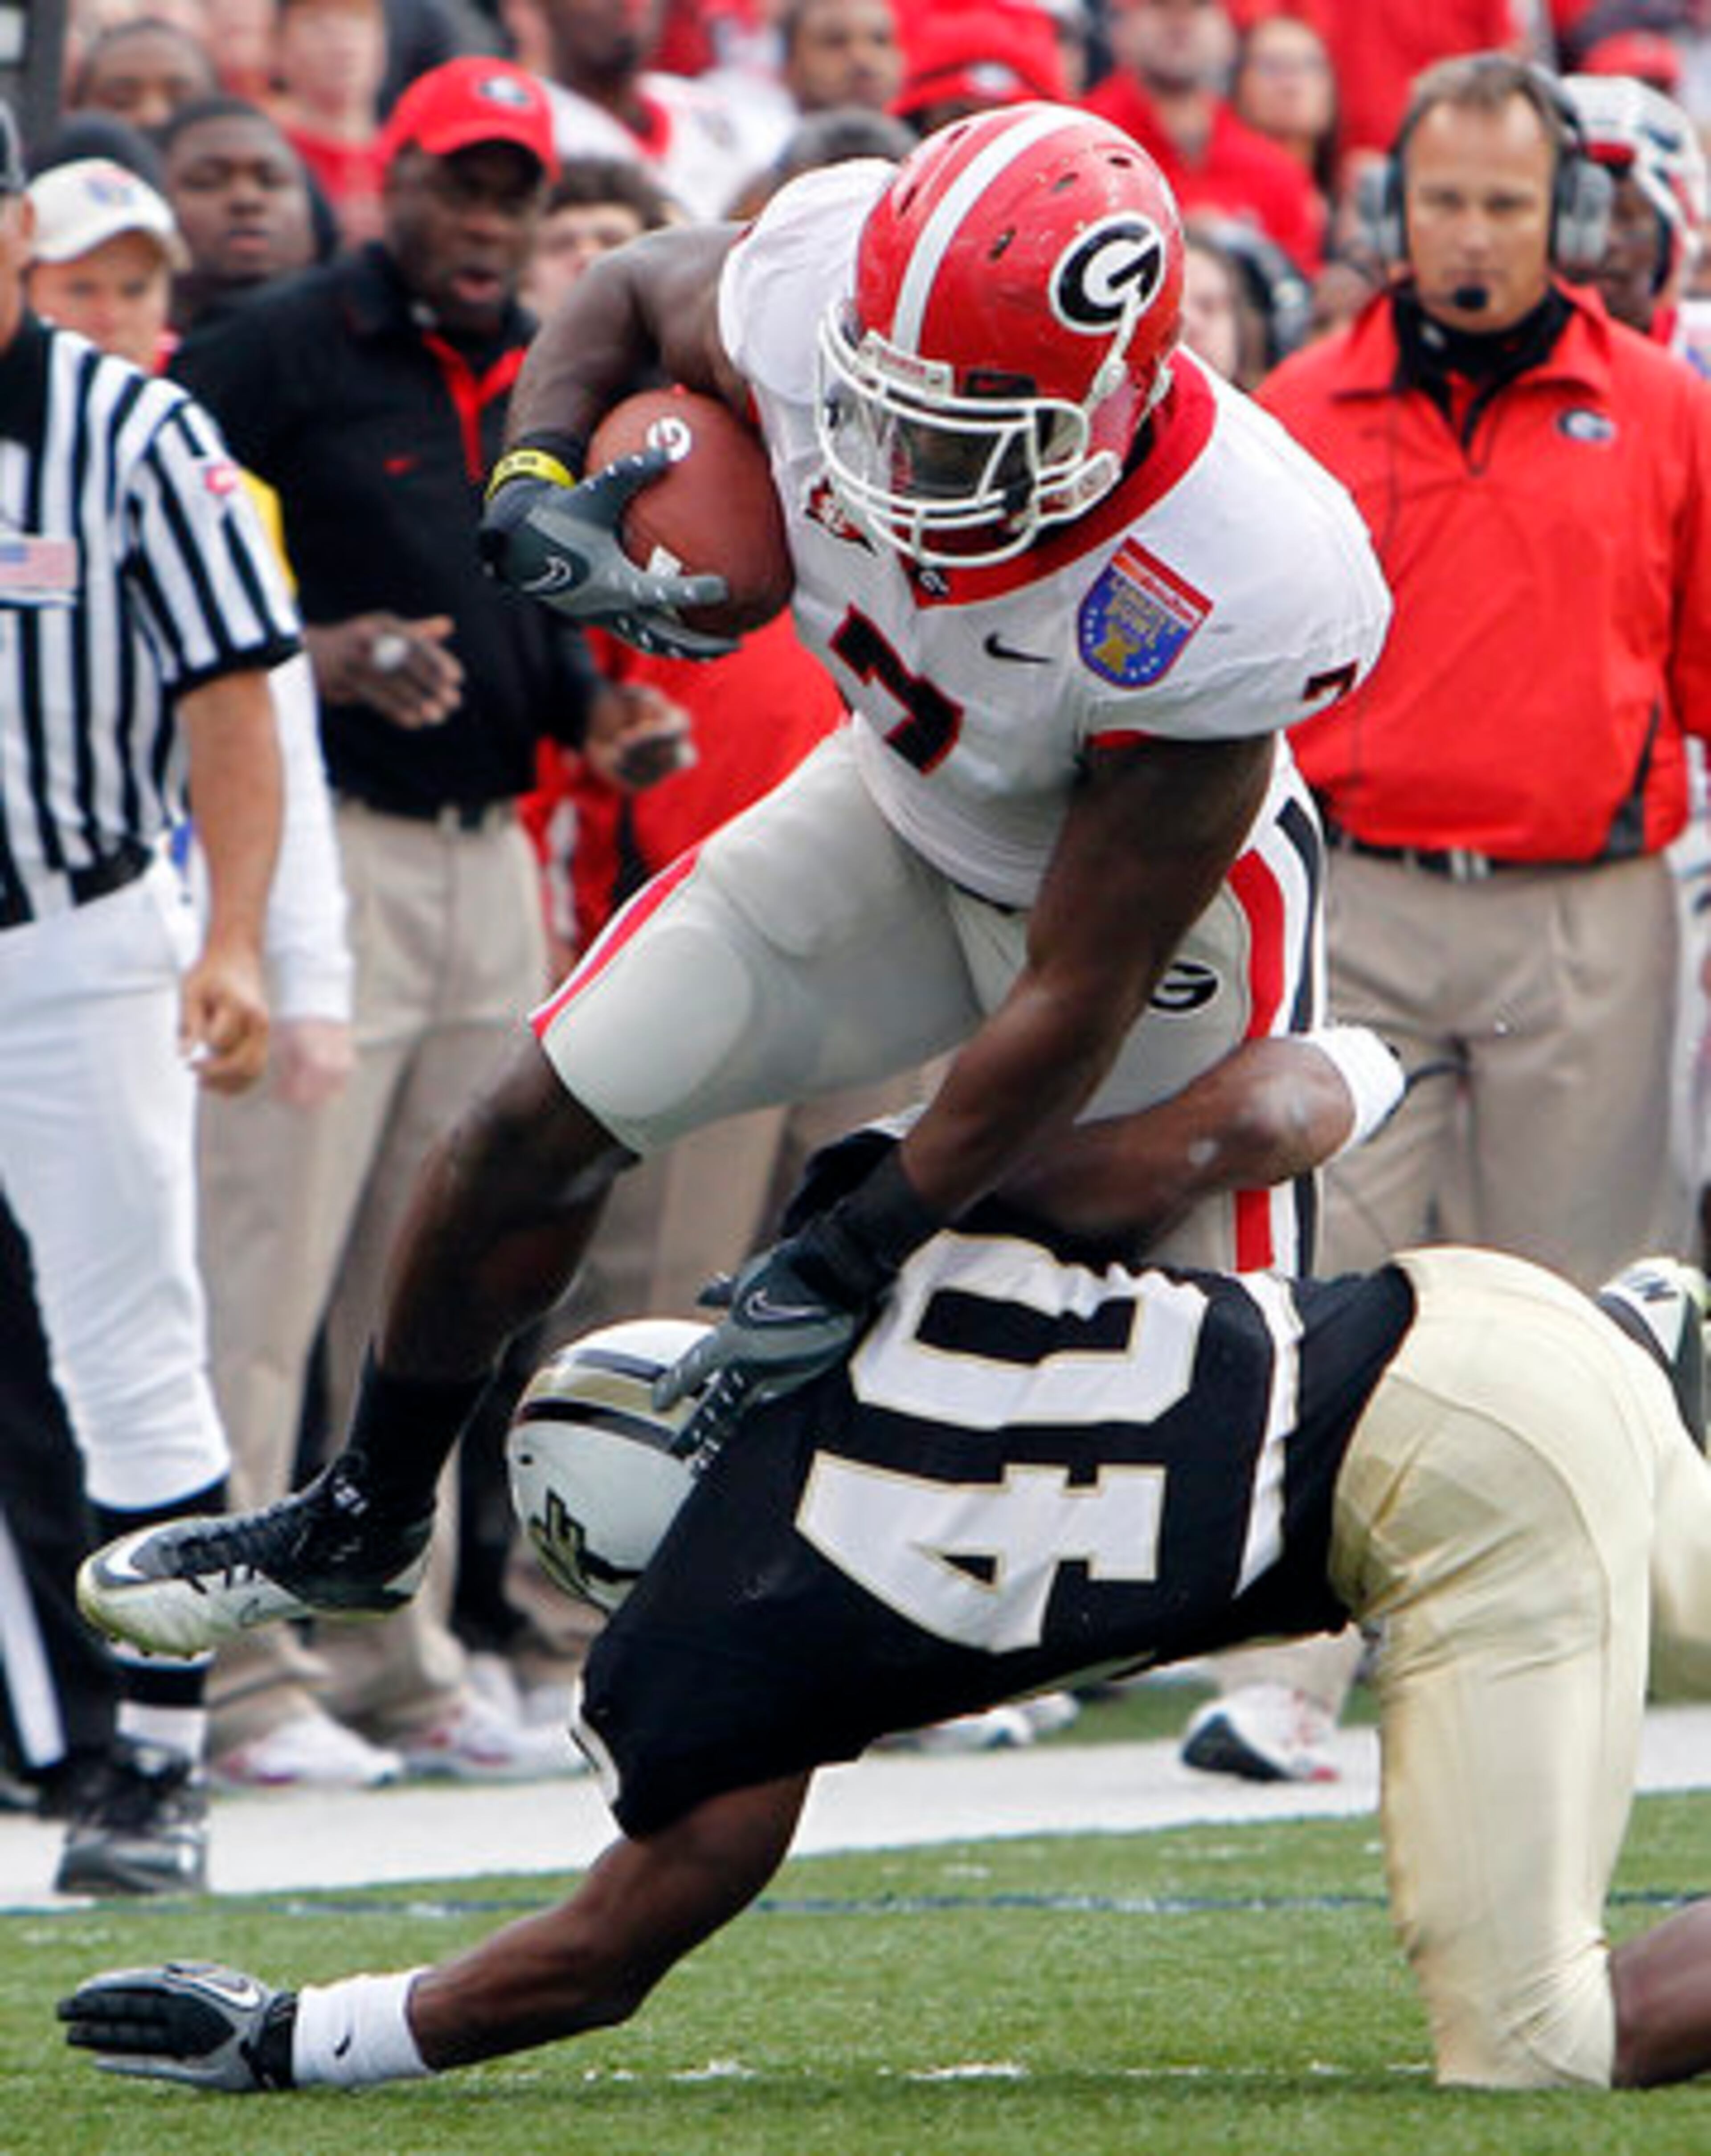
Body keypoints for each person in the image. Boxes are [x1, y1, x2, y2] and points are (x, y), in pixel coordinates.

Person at [75, 103, 1392, 1718]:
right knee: (531, 1118)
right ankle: (362, 1515)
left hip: (1144, 928)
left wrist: (856, 1243)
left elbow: (1074, 989)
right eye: (874, 404)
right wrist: (540, 474)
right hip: (899, 810)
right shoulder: (814, 284)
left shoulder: (1235, 565)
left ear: (1111, 399)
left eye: (956, 428)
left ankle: (1422, 1386)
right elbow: (629, 289)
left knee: (1224, 1376)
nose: (888, 464)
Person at [54, 1038, 1711, 2094]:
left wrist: (304, 2039)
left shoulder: (733, 1634)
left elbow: (603, 1956)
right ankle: (1627, 1340)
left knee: (1538, 2047)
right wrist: (1364, 1053)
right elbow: (1254, 1120)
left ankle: (1607, 1387)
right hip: (1470, 1315)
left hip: (1452, 1499)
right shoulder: (860, 1249)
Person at [163, 55, 614, 1784]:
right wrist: (314, 644)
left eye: (513, 191)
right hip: (321, 848)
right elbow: (164, 553)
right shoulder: (279, 350)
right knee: (264, 1280)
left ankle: (392, 1653)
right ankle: (234, 1676)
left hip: (492, 853)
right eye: (458, 185)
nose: (488, 219)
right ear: (391, 186)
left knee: (430, 1287)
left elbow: (527, 589)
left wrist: (592, 709)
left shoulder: (534, 366)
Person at [1260, 51, 1711, 1289]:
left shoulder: (1672, 411)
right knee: (1325, 1288)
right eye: (1445, 201)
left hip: (1586, 926)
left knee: (1575, 1309)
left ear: (1565, 215)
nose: (1471, 236)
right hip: (1356, 915)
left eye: (1507, 205)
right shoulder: (1302, 407)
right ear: (1393, 209)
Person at [0, 94, 295, 1895]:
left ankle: (156, 1764)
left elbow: (237, 696)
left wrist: (237, 934)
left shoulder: (128, 430)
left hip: (74, 938)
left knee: (131, 1354)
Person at [1084, 0, 1324, 270]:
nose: (1180, 23)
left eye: (1199, 7)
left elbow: (1299, 294)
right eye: (1159, 7)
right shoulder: (1084, 143)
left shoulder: (1275, 171)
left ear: (1229, 32)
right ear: (1120, 27)